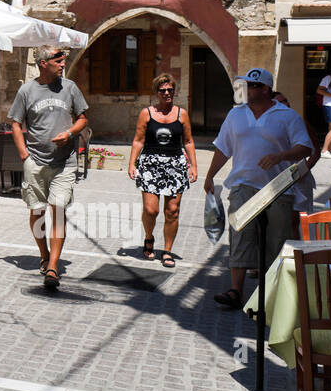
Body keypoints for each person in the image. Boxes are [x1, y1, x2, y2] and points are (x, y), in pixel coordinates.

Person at [203, 67, 313, 310]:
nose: (247, 90)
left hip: (278, 187)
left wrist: (281, 156)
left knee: (277, 240)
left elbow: (306, 148)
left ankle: (272, 297)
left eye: (251, 86)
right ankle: (235, 292)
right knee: (240, 236)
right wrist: (210, 175)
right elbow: (223, 147)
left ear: (265, 89)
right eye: (245, 86)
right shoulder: (235, 115)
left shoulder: (286, 116)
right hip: (243, 185)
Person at [8, 44, 88, 291]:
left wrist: (70, 133)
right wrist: (24, 155)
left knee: (59, 209)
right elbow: (15, 123)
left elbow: (83, 118)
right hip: (35, 161)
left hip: (64, 162)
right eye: (58, 61)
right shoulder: (27, 90)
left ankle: (53, 265)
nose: (63, 64)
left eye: (63, 61)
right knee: (37, 211)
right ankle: (44, 254)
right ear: (44, 63)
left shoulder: (70, 88)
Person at [127, 73, 197, 269]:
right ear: (156, 92)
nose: (167, 93)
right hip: (150, 164)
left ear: (174, 91)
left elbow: (189, 141)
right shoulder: (146, 113)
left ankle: (167, 250)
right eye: (162, 90)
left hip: (175, 164)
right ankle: (149, 238)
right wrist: (132, 164)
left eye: (170, 90)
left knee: (172, 211)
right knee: (151, 210)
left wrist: (194, 166)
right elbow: (138, 140)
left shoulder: (181, 114)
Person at [274, 91, 319, 239]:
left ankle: (295, 254)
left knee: (293, 221)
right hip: (276, 179)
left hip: (297, 178)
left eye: (286, 100)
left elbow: (316, 152)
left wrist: (303, 171)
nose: (286, 104)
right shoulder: (267, 126)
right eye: (280, 102)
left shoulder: (300, 123)